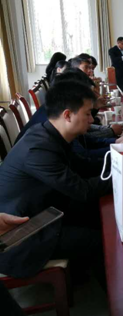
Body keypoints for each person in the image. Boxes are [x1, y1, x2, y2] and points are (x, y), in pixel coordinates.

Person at [0, 81, 113, 280]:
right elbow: (83, 190)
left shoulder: (49, 134)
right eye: (87, 114)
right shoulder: (39, 149)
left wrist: (121, 161)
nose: (91, 119)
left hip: (43, 213)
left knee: (98, 215)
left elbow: (83, 165)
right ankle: (117, 295)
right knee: (100, 239)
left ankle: (83, 273)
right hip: (21, 237)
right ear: (67, 115)